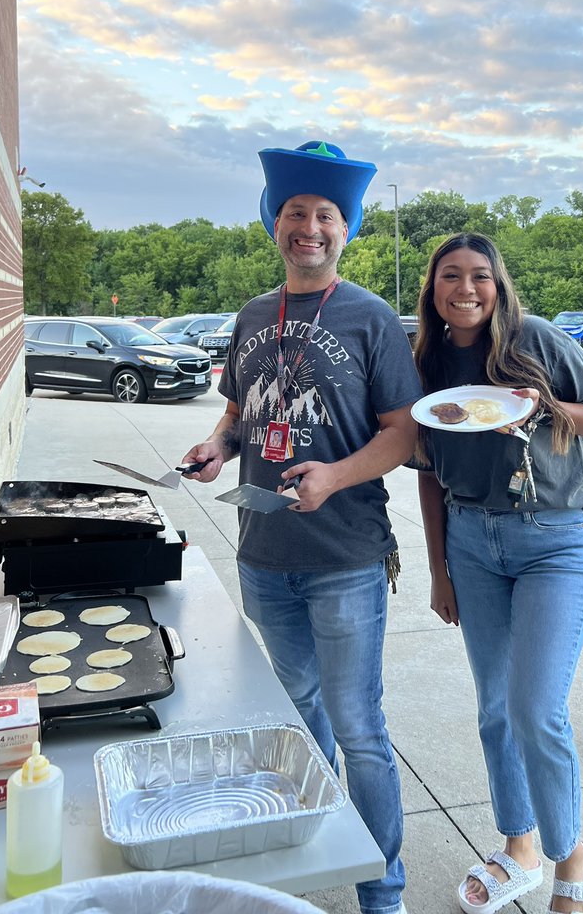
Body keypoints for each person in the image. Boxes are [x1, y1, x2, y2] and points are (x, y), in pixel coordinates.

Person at [183, 140, 422, 914]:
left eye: (326, 215)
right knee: (298, 714)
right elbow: (236, 410)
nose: (309, 227)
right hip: (263, 555)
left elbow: (403, 432)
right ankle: (314, 835)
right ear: (274, 223)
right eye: (296, 213)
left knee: (358, 729)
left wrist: (335, 476)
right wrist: (217, 446)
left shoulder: (371, 317)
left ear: (344, 230)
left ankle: (381, 890)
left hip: (345, 555)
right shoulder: (254, 314)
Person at [414, 232, 583, 914]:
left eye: (480, 276)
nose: (466, 288)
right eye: (451, 276)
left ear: (498, 285)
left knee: (536, 710)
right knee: (496, 712)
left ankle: (572, 854)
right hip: (472, 544)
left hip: (558, 540)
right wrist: (440, 570)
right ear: (434, 287)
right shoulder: (428, 359)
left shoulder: (534, 340)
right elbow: (427, 475)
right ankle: (519, 848)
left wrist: (545, 407)